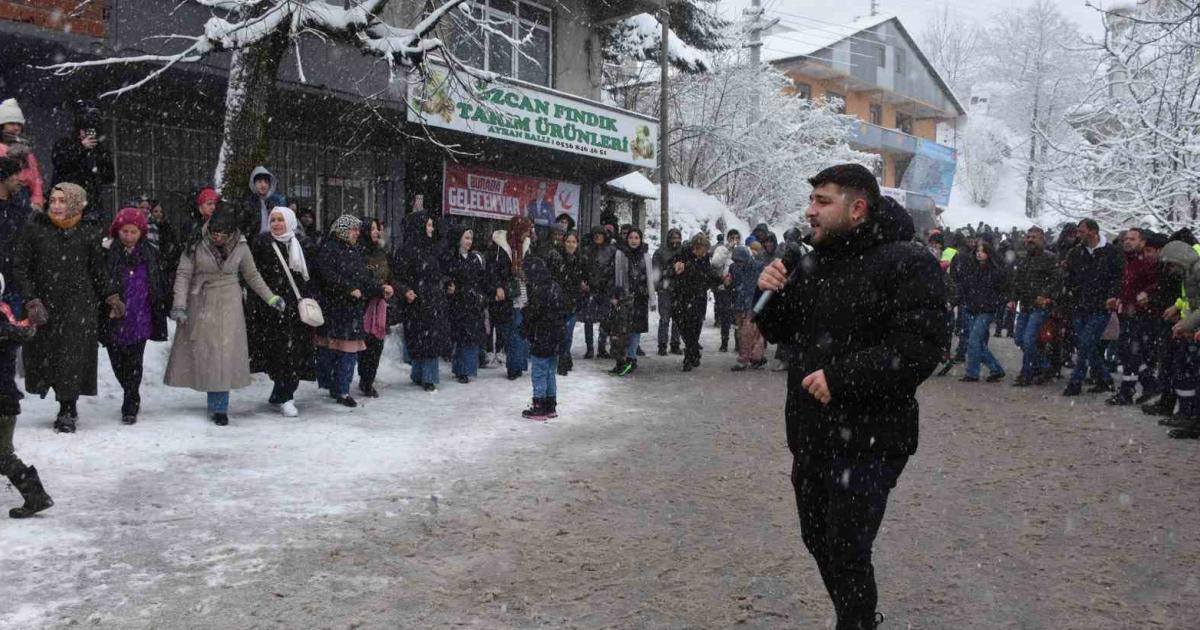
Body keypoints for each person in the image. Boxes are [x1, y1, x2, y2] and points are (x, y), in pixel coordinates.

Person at [755, 164, 948, 629]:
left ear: (857, 208)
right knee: (817, 537)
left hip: (871, 437)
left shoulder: (907, 261)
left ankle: (857, 622)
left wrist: (842, 377)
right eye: (811, 201)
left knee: (846, 544)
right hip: (811, 432)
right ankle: (854, 614)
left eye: (823, 201)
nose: (811, 211)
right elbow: (781, 330)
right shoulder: (811, 261)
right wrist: (770, 293)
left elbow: (921, 348)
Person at [11, 183, 124, 433]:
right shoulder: (35, 229)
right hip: (45, 304)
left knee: (71, 357)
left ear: (75, 203)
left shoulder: (87, 232)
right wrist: (31, 300)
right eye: (53, 200)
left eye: (63, 201)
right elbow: (20, 266)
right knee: (46, 356)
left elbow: (97, 270)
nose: (57, 206)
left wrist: (111, 297)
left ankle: (67, 409)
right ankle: (56, 396)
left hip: (78, 305)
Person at [164, 208, 285, 425]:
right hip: (201, 301)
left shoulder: (241, 244)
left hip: (230, 302)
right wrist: (179, 305)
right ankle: (214, 398)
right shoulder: (195, 242)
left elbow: (252, 275)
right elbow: (183, 274)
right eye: (214, 234)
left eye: (223, 235)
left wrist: (271, 298)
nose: (218, 238)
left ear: (232, 233)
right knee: (208, 353)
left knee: (224, 354)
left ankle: (219, 407)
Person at [247, 207, 317, 416]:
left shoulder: (302, 245)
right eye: (273, 220)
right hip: (272, 308)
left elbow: (310, 276)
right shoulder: (262, 244)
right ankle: (283, 393)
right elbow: (255, 275)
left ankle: (285, 394)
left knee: (295, 353)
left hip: (297, 309)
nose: (276, 224)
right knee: (278, 354)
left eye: (280, 220)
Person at [313, 215, 390, 404]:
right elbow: (326, 275)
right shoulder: (329, 250)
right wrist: (347, 289)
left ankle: (342, 390)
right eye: (353, 230)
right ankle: (333, 385)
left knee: (349, 352)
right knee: (330, 351)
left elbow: (363, 277)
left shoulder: (354, 251)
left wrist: (379, 289)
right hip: (333, 309)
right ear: (342, 230)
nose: (357, 233)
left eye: (357, 230)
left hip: (351, 311)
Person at [101, 207, 168, 425]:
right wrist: (110, 297)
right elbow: (100, 280)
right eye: (124, 231)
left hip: (141, 316)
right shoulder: (107, 252)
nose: (128, 236)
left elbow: (158, 281)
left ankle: (130, 401)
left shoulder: (149, 253)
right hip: (114, 317)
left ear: (141, 233)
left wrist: (159, 303)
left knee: (134, 361)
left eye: (133, 232)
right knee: (117, 360)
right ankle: (129, 390)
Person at [0, 271, 52, 518]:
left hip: (2, 401)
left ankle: (36, 496)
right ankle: (36, 496)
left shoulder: (4, 324)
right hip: (5, 400)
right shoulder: (7, 320)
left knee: (2, 456)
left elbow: (14, 332)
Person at [1061, 219, 1123, 397]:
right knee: (1088, 345)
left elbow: (1117, 277)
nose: (1078, 235)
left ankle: (1075, 381)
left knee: (1085, 342)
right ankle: (1104, 378)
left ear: (1094, 232)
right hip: (1080, 305)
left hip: (1100, 306)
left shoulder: (1111, 252)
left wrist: (1112, 294)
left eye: (1082, 231)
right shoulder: (1076, 252)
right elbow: (1069, 276)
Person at [394, 211, 450, 391]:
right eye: (429, 225)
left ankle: (427, 377)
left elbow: (438, 272)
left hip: (432, 300)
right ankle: (422, 375)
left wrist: (446, 282)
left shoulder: (431, 248)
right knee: (420, 338)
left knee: (430, 339)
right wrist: (406, 291)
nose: (432, 229)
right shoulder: (406, 250)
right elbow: (397, 276)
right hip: (416, 301)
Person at [1107, 227, 1161, 405]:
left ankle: (1127, 392)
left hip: (1143, 316)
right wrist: (1118, 299)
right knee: (1126, 352)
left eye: (1132, 239)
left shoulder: (1148, 262)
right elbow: (1124, 285)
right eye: (1125, 239)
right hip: (1126, 313)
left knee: (1131, 352)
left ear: (1142, 242)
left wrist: (1146, 294)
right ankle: (1149, 383)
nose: (1127, 242)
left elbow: (1158, 285)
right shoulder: (1125, 261)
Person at [1156, 240, 1200, 439]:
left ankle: (1191, 417)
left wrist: (1188, 324)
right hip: (1192, 326)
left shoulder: (1196, 271)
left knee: (1189, 372)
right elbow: (1192, 301)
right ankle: (1188, 414)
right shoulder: (1191, 271)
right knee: (1184, 370)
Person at [1008, 227, 1060, 386]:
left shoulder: (1050, 258)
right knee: (1019, 339)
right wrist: (1012, 299)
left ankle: (1026, 373)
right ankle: (1044, 366)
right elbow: (1017, 281)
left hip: (1040, 307)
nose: (1030, 240)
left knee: (1029, 339)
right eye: (1028, 236)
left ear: (1042, 239)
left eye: (1034, 237)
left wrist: (1045, 295)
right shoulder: (1023, 258)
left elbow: (1057, 280)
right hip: (1025, 305)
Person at [521, 255, 567, 419]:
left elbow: (533, 315)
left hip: (542, 336)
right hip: (556, 337)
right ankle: (550, 405)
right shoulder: (555, 287)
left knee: (539, 371)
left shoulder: (538, 291)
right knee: (550, 372)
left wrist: (525, 323)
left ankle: (539, 404)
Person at [490, 216, 535, 380]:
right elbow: (493, 270)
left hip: (524, 294)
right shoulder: (501, 247)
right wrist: (499, 286)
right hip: (509, 295)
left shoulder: (526, 246)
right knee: (514, 331)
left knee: (522, 330)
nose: (527, 234)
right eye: (525, 231)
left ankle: (519, 364)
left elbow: (531, 268)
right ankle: (513, 367)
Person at [668, 233, 722, 372]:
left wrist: (721, 280)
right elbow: (670, 272)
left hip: (698, 298)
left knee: (695, 328)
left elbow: (708, 274)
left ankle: (689, 355)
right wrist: (676, 270)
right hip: (682, 298)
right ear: (696, 247)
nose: (704, 253)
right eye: (702, 250)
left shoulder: (704, 260)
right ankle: (693, 352)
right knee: (684, 328)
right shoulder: (682, 256)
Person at [51, 105, 114, 221]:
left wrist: (100, 153)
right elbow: (60, 163)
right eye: (85, 130)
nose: (89, 133)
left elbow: (109, 177)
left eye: (93, 130)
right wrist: (81, 148)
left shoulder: (100, 150)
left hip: (92, 205)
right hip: (67, 202)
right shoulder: (65, 144)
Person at [957, 239, 1008, 383]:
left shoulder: (994, 271)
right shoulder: (972, 269)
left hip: (986, 309)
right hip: (973, 308)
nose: (979, 254)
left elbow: (1003, 289)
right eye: (978, 251)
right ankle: (995, 369)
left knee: (973, 340)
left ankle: (973, 372)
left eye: (982, 251)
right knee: (976, 342)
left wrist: (995, 302)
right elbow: (964, 287)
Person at [608, 226, 655, 377]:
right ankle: (620, 361)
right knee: (620, 330)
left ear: (640, 240)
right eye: (631, 238)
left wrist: (651, 297)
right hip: (624, 298)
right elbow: (615, 277)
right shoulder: (620, 254)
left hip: (640, 298)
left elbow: (650, 279)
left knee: (636, 330)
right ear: (626, 239)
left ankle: (631, 359)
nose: (634, 241)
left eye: (636, 238)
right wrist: (615, 295)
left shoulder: (646, 256)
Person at [444, 224, 487, 384]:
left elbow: (480, 280)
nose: (469, 242)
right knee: (461, 338)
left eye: (471, 238)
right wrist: (451, 287)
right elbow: (447, 277)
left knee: (471, 337)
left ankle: (468, 369)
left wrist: (481, 295)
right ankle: (460, 369)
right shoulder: (451, 259)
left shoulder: (474, 259)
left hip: (472, 302)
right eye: (466, 238)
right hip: (458, 303)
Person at [357, 217, 393, 397]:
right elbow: (362, 280)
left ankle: (368, 380)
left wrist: (389, 288)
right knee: (364, 345)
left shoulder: (381, 252)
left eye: (377, 228)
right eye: (371, 228)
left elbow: (389, 274)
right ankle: (364, 378)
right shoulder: (358, 252)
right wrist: (378, 289)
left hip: (380, 305)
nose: (376, 232)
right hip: (364, 305)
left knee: (376, 345)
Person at [550, 230, 585, 376]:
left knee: (568, 333)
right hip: (559, 301)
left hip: (573, 301)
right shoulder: (557, 258)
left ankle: (565, 357)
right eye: (568, 242)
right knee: (560, 332)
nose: (571, 245)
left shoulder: (580, 260)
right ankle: (562, 360)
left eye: (574, 242)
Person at [0, 98, 44, 209]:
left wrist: (37, 199)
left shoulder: (26, 148)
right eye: (11, 123)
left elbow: (35, 177)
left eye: (19, 124)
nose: (16, 127)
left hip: (24, 195)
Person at [729, 245, 767, 371]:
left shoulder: (758, 267)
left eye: (739, 260)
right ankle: (757, 357)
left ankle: (744, 359)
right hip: (741, 303)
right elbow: (733, 284)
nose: (737, 263)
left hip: (754, 304)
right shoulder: (734, 268)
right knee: (745, 332)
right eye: (735, 260)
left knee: (748, 332)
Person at [579, 226, 614, 359]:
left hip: (605, 288)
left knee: (605, 319)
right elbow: (581, 268)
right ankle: (589, 348)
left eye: (600, 234)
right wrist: (583, 281)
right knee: (589, 319)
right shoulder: (587, 250)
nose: (598, 236)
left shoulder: (611, 250)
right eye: (595, 234)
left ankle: (602, 347)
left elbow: (613, 269)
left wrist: (609, 284)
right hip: (590, 288)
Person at [652, 228, 684, 356]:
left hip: (679, 289)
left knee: (678, 319)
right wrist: (660, 285)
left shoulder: (683, 252)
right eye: (673, 238)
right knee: (665, 318)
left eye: (677, 238)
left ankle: (675, 344)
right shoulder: (660, 253)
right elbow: (656, 272)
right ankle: (662, 345)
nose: (675, 240)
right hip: (665, 289)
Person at [241, 166, 287, 237]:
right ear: (253, 183)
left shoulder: (274, 202)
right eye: (259, 182)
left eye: (266, 182)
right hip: (253, 242)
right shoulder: (247, 202)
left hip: (272, 240)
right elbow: (244, 227)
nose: (263, 185)